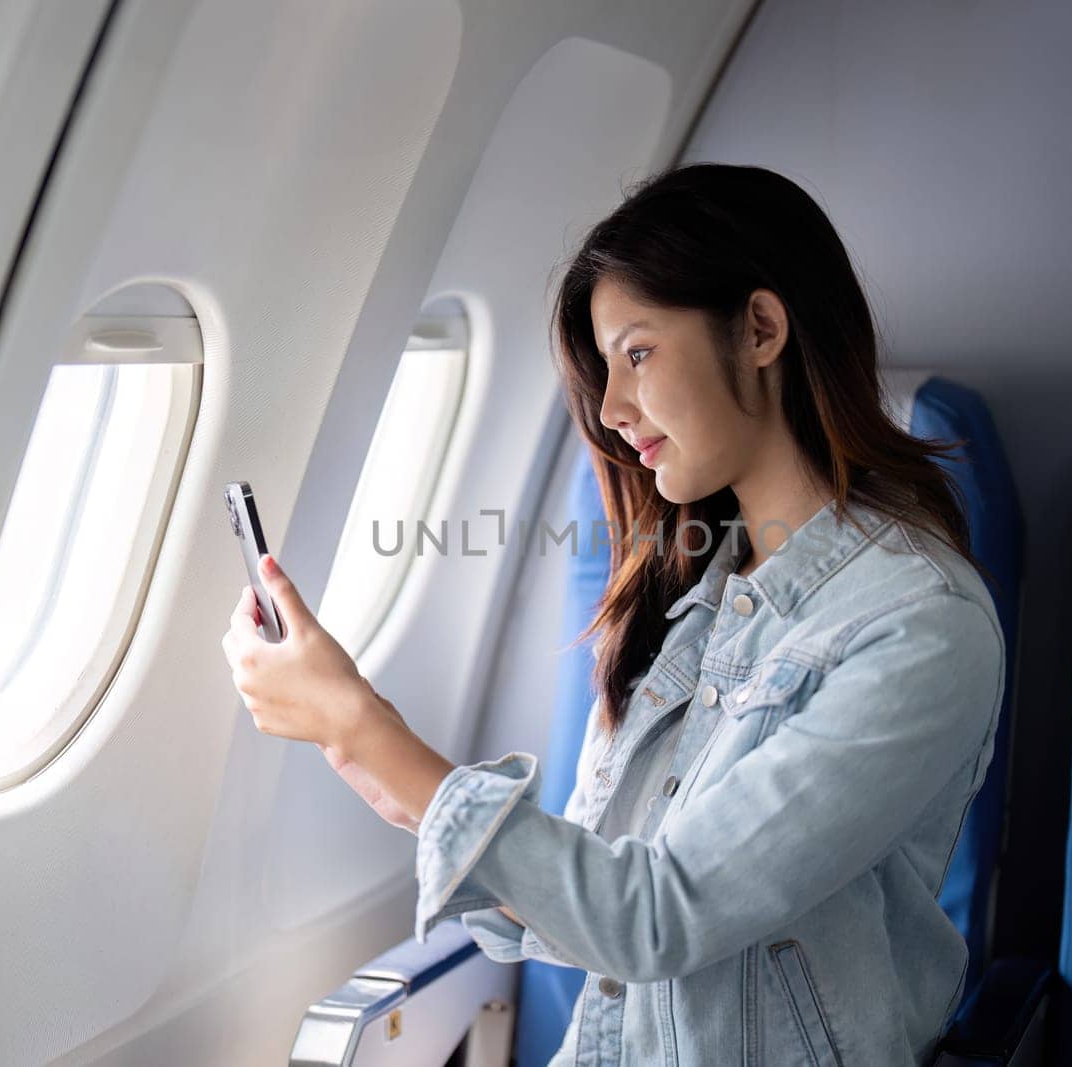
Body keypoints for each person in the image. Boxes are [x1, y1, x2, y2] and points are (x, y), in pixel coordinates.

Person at [221, 162, 1005, 1066]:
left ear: (760, 329)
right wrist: (368, 755)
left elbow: (659, 916)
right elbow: (588, 910)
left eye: (637, 353)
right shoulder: (690, 599)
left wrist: (363, 726)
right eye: (604, 368)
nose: (611, 407)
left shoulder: (920, 627)